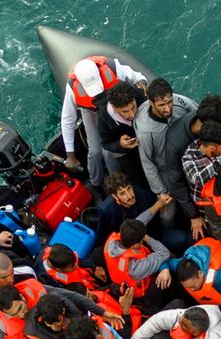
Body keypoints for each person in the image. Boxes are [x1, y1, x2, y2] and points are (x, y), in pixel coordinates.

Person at [61, 55, 149, 187]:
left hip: (116, 104)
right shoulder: (72, 88)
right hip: (91, 110)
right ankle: (96, 184)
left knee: (108, 153)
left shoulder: (112, 67)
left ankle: (119, 180)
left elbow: (139, 78)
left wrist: (142, 88)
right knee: (96, 151)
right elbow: (68, 119)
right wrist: (70, 155)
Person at [134, 79, 199, 232]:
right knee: (168, 212)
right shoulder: (145, 132)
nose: (168, 108)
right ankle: (169, 232)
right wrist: (161, 191)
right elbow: (147, 162)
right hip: (166, 169)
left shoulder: (180, 102)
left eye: (169, 102)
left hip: (189, 156)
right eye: (162, 105)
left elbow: (199, 113)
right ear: (151, 103)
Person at [102, 219, 173, 316]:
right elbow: (165, 253)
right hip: (142, 295)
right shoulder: (136, 268)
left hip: (120, 283)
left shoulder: (111, 243)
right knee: (169, 276)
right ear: (136, 245)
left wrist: (157, 206)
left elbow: (136, 222)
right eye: (142, 240)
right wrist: (147, 237)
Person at [93, 81, 150, 188]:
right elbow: (106, 144)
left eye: (133, 107)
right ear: (114, 107)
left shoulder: (139, 96)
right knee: (139, 182)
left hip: (148, 141)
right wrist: (120, 145)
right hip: (128, 153)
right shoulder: (104, 118)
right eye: (125, 111)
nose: (132, 114)